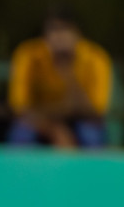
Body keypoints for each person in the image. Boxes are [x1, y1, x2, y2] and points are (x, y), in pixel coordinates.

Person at [7, 11, 112, 148]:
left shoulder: (96, 58)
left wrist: (68, 72)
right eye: (54, 30)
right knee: (21, 136)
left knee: (91, 136)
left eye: (65, 31)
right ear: (44, 35)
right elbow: (19, 106)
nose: (59, 37)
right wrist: (55, 130)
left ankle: (94, 170)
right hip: (40, 119)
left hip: (80, 118)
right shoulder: (28, 55)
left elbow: (96, 110)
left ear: (77, 34)